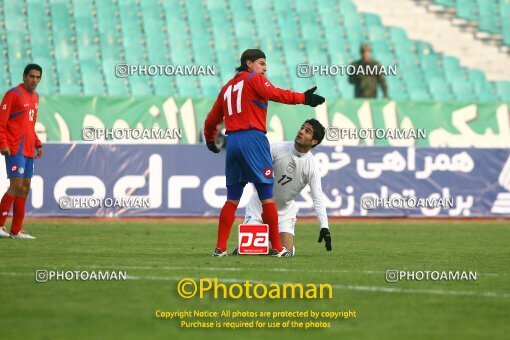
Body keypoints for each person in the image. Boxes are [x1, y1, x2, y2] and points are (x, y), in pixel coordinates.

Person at [204, 49, 325, 257]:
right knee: (267, 197)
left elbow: (211, 120)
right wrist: (303, 98)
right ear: (249, 64)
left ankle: (219, 248)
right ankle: (278, 248)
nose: (265, 68)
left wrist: (209, 139)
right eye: (261, 63)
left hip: (232, 141)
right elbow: (276, 93)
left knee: (232, 199)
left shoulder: (226, 88)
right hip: (253, 138)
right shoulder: (254, 79)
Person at [239, 119, 331, 256]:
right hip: (259, 207)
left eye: (307, 131)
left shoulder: (311, 167)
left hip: (284, 212)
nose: (301, 131)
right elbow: (254, 162)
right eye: (302, 128)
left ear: (314, 142)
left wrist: (324, 227)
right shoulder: (277, 148)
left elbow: (318, 199)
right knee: (252, 251)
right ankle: (256, 245)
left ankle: (268, 245)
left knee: (286, 252)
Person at [0, 64, 44, 239]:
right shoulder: (13, 94)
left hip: (27, 148)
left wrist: (38, 144)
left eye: (38, 77)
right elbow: (1, 122)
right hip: (14, 147)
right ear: (24, 76)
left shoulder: (36, 98)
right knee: (16, 185)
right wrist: (3, 143)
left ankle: (16, 230)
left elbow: (30, 125)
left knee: (25, 187)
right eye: (32, 76)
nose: (34, 80)